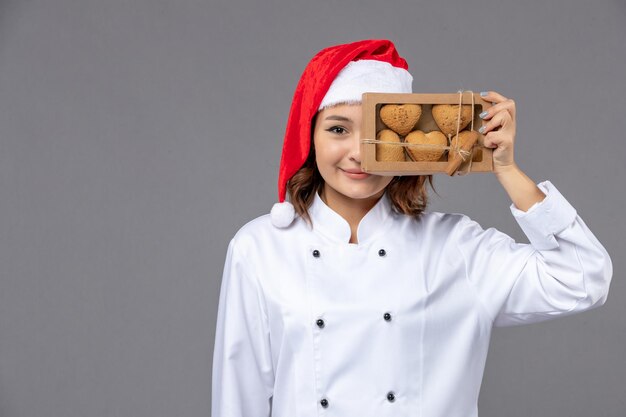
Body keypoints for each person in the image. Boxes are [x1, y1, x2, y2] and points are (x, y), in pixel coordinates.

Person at [210, 39, 613, 417]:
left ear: (404, 143)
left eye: (377, 135)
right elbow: (238, 398)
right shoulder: (259, 248)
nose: (358, 153)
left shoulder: (456, 248)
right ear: (310, 137)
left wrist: (506, 168)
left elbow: (583, 277)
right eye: (338, 129)